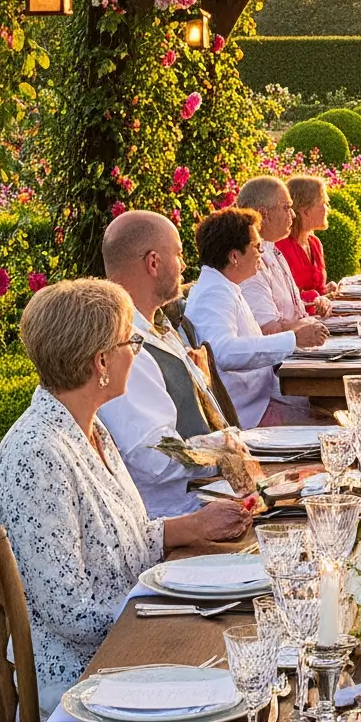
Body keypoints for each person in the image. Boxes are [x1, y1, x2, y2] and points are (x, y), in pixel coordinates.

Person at [0, 277, 256, 713]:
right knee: (245, 669)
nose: (137, 352)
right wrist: (171, 609)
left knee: (253, 643)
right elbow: (70, 613)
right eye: (132, 342)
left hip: (130, 643)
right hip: (90, 677)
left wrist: (191, 527)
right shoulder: (39, 456)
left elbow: (116, 542)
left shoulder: (87, 424)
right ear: (101, 361)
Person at [97, 208, 260, 519]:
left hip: (210, 494)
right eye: (179, 254)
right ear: (153, 263)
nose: (185, 265)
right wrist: (224, 446)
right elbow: (154, 457)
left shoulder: (157, 326)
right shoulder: (125, 345)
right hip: (179, 514)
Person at [186, 206, 326, 427]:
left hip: (264, 399)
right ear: (234, 257)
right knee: (336, 428)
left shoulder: (225, 286)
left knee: (335, 409)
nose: (261, 255)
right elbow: (223, 352)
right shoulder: (213, 293)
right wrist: (294, 339)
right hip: (252, 415)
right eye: (257, 247)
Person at [238, 173, 330, 330]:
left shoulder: (271, 249)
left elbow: (292, 310)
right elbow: (267, 330)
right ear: (264, 214)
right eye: (286, 208)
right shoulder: (250, 262)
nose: (293, 215)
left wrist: (319, 301)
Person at [278, 175, 332, 312]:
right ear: (305, 210)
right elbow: (282, 300)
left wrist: (327, 291)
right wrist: (316, 297)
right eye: (323, 203)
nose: (327, 209)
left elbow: (317, 290)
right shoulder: (280, 247)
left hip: (320, 323)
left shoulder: (314, 243)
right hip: (296, 327)